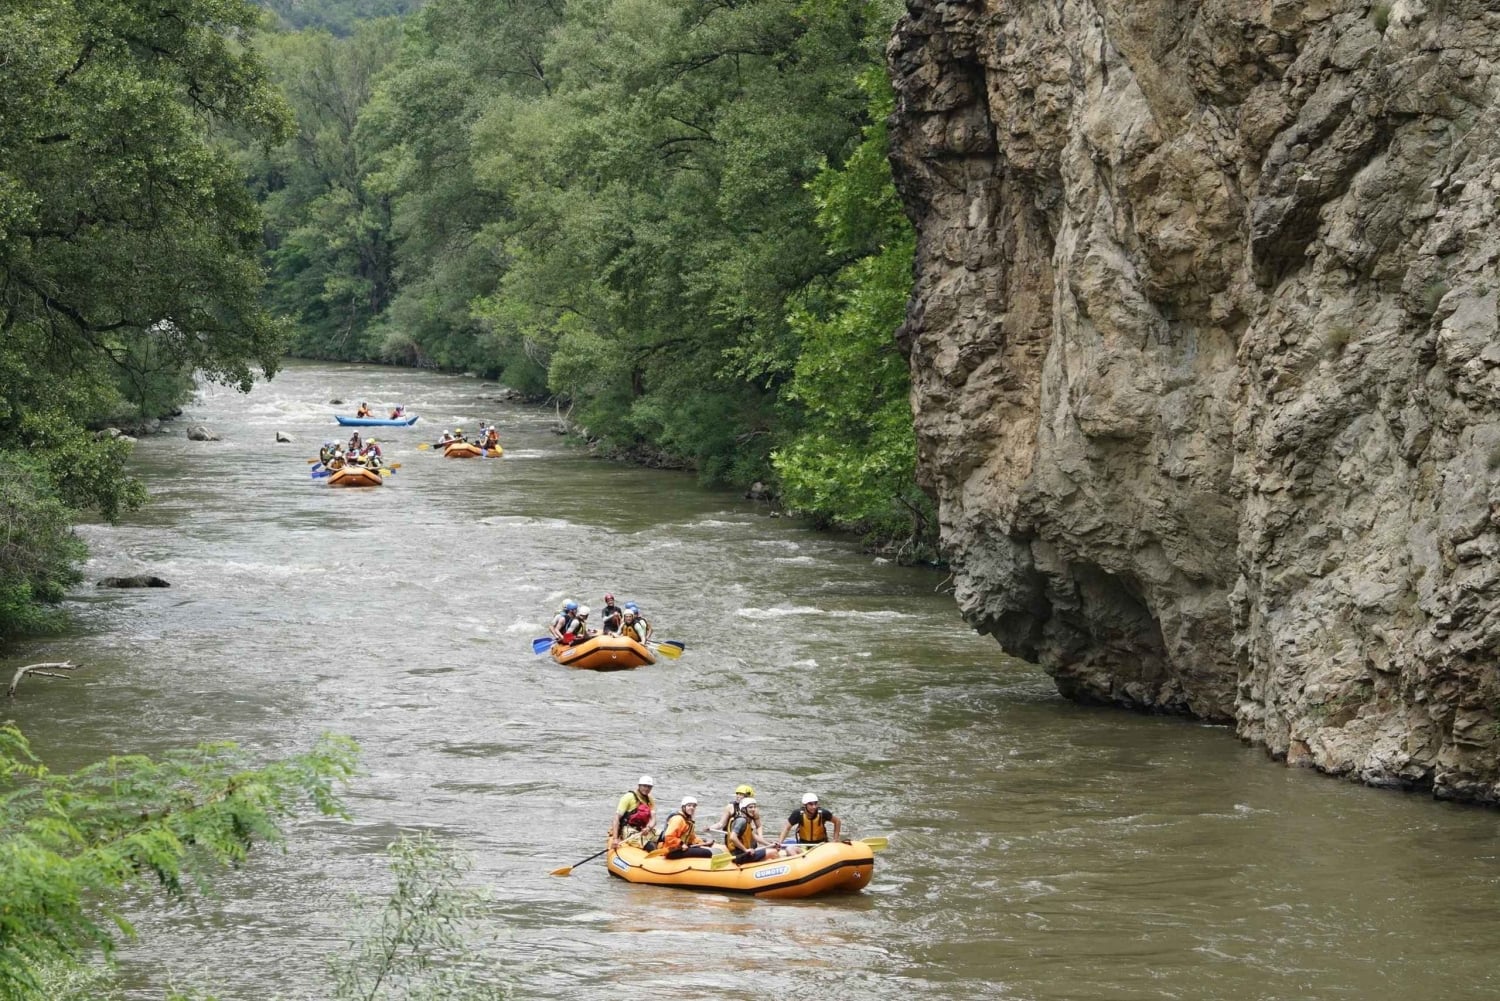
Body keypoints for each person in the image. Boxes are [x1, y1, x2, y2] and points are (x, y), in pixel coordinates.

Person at [726, 799, 781, 865]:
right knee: (773, 852)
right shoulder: (741, 821)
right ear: (743, 809)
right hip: (739, 855)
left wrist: (769, 845)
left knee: (772, 850)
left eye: (754, 807)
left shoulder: (746, 820)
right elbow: (733, 837)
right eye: (750, 807)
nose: (753, 809)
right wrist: (745, 850)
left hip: (744, 852)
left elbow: (754, 836)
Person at [779, 792, 845, 847]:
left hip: (820, 844)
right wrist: (780, 842)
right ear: (805, 805)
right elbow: (787, 828)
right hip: (803, 844)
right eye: (811, 804)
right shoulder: (798, 814)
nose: (814, 807)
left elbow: (837, 821)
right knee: (790, 850)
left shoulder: (823, 813)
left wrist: (835, 839)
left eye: (815, 803)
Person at [609, 776, 657, 849]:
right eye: (644, 786)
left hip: (643, 829)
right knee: (651, 846)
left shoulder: (650, 799)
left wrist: (648, 828)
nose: (647, 789)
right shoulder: (628, 797)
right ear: (639, 786)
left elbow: (653, 819)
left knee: (664, 836)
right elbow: (616, 818)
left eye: (649, 787)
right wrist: (615, 838)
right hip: (628, 829)